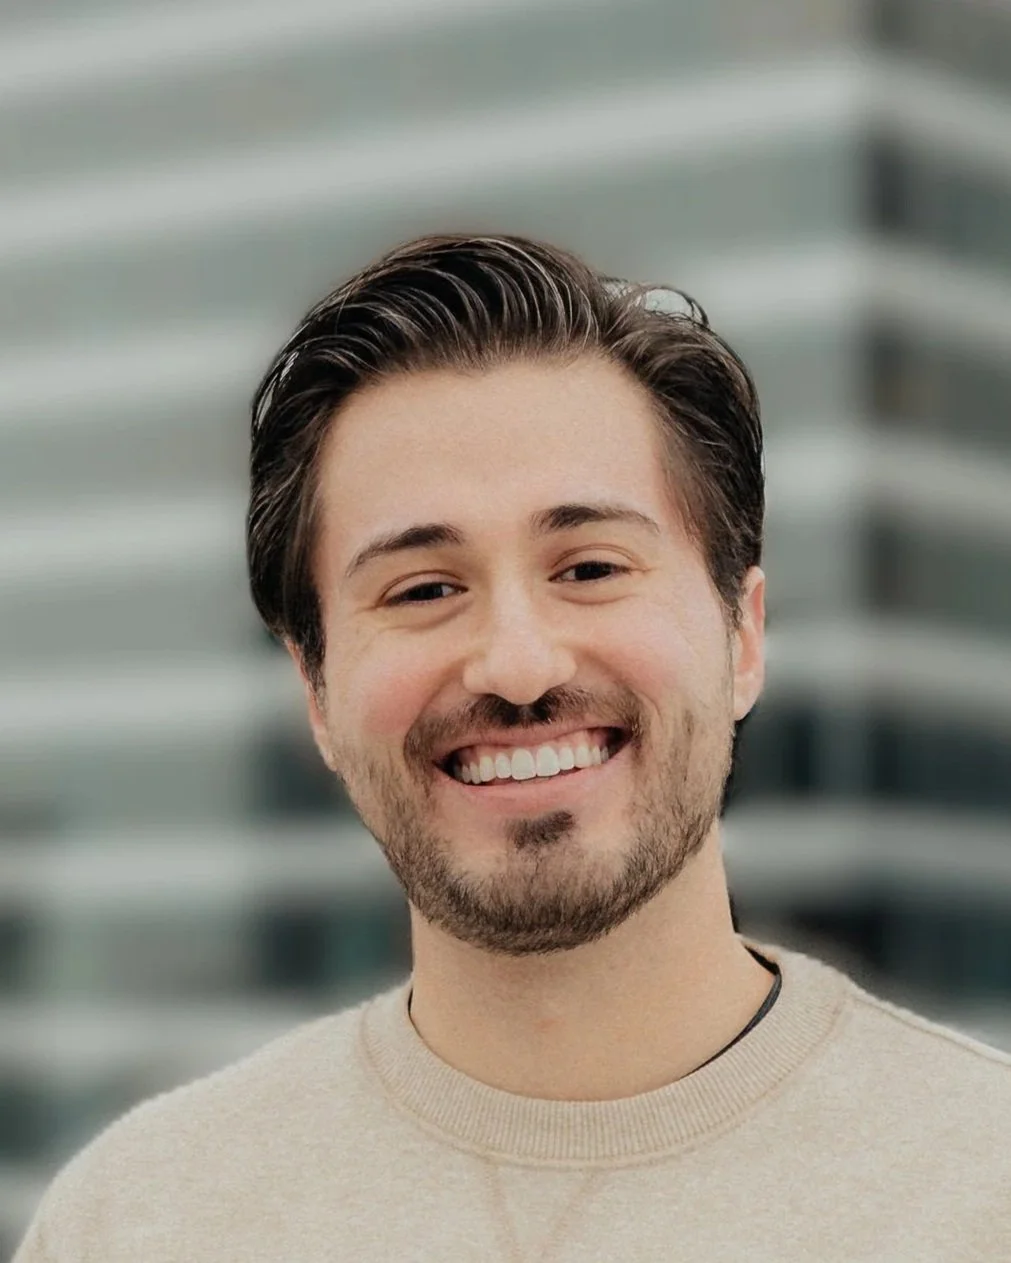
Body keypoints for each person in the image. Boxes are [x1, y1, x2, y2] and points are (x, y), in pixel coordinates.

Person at [15, 234, 1011, 1262]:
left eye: (588, 567)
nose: (517, 665)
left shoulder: (987, 1190)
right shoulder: (138, 1221)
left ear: (743, 634)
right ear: (314, 687)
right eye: (425, 590)